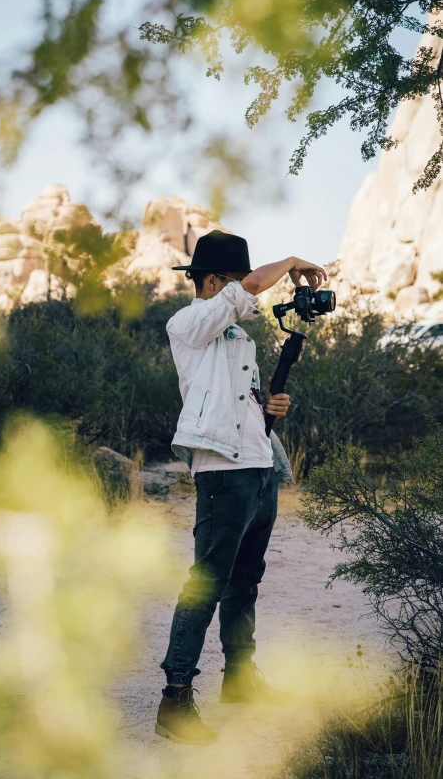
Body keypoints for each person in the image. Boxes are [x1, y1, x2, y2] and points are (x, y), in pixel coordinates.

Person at [155, 230, 328, 746]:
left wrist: (268, 406)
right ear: (214, 281)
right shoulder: (188, 323)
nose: (251, 297)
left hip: (259, 469)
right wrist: (292, 260)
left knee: (245, 580)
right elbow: (251, 286)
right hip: (222, 475)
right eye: (236, 285)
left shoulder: (239, 341)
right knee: (206, 582)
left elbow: (240, 403)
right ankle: (175, 699)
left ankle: (241, 680)